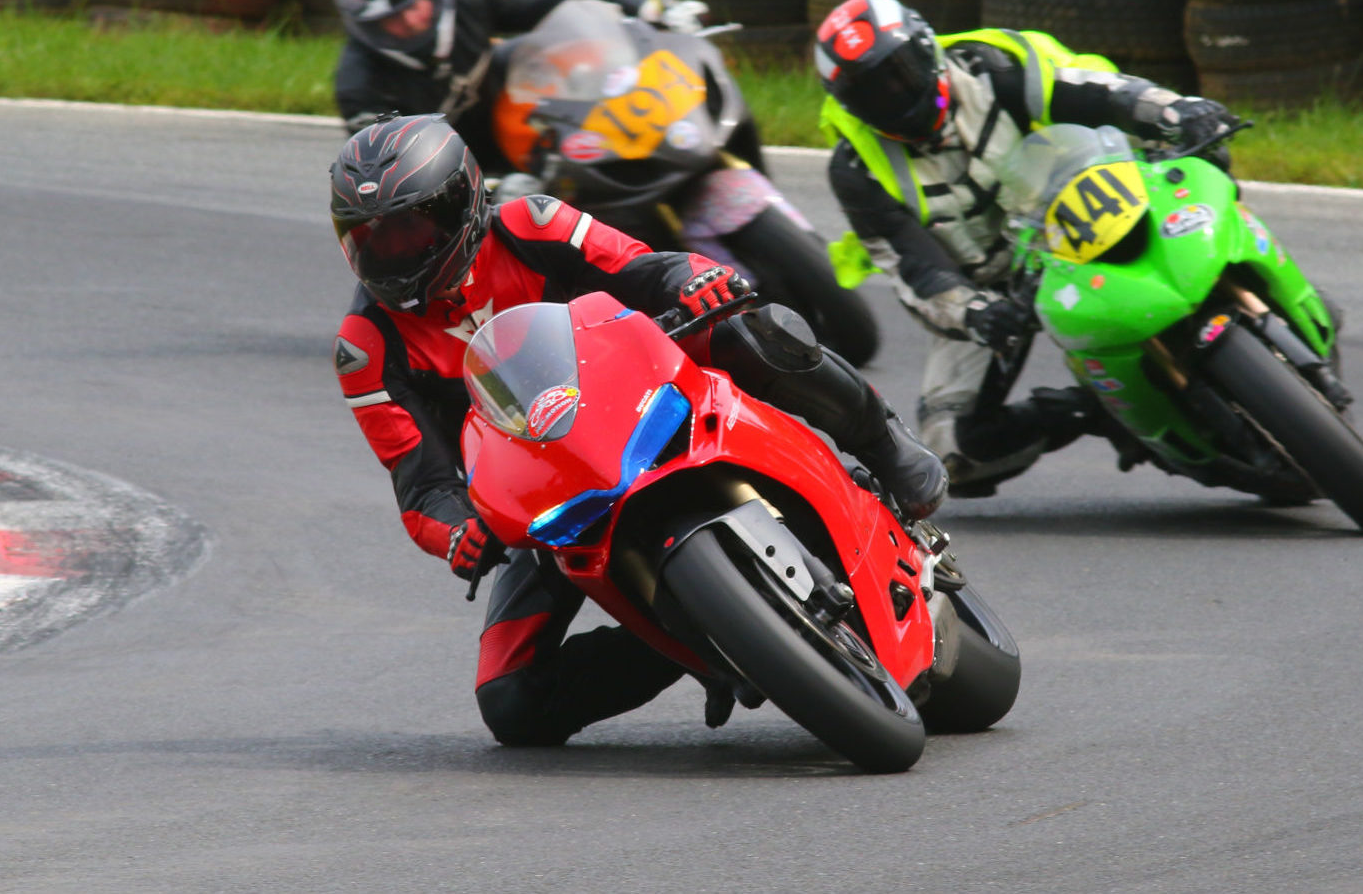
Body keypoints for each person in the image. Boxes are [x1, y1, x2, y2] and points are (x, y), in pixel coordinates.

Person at [329, 113, 945, 746]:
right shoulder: (365, 346)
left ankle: (883, 441)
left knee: (748, 328)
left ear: (461, 201)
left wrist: (692, 279)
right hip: (545, 489)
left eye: (409, 227)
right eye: (370, 237)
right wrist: (457, 531)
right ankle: (701, 639)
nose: (392, 251)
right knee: (510, 704)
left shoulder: (532, 223)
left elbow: (641, 268)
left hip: (640, 388)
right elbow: (422, 487)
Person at [813, 0, 1240, 497]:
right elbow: (913, 268)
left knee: (1204, 170)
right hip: (993, 284)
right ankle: (1099, 409)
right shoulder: (856, 169)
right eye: (871, 94)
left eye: (899, 73)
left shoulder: (992, 65)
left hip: (1084, 202)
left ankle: (1264, 288)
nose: (893, 97)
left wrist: (1176, 110)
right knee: (952, 450)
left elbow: (1097, 90)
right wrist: (975, 312)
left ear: (927, 50)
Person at [330, 0, 709, 172]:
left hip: (533, 122)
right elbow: (390, 174)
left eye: (415, 4)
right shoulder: (358, 85)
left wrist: (654, 7)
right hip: (459, 173)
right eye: (393, 17)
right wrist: (487, 189)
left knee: (558, 52)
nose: (411, 21)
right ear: (368, 25)